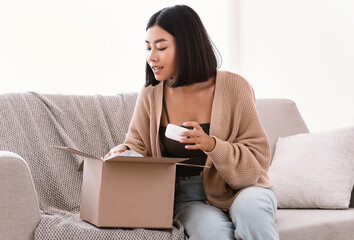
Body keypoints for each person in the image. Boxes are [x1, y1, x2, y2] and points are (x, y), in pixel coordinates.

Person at [105, 5, 279, 240]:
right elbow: (138, 146)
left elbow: (258, 155)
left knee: (253, 213)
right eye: (148, 48)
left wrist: (212, 145)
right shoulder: (151, 94)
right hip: (188, 197)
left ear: (186, 46)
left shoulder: (235, 86)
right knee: (212, 234)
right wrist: (125, 151)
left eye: (161, 47)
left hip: (244, 188)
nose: (151, 57)